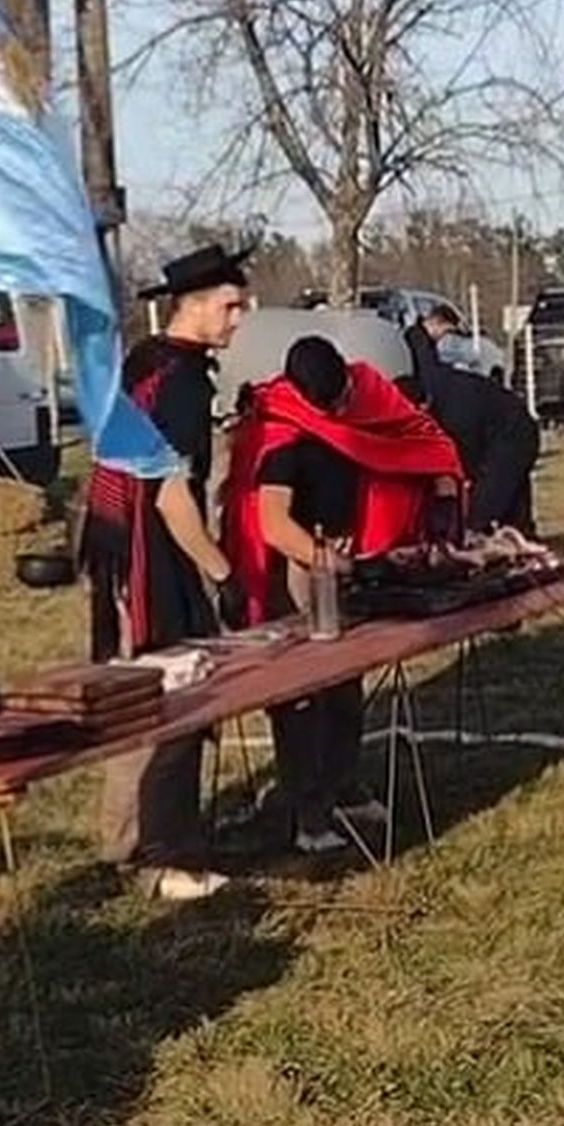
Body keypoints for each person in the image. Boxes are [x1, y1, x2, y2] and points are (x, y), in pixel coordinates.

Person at [223, 336, 462, 852]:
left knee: (346, 682)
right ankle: (308, 813)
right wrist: (326, 559)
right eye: (331, 404)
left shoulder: (363, 399)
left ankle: (344, 785)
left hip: (347, 554)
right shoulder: (281, 435)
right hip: (302, 570)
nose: (341, 407)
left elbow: (413, 439)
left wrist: (438, 493)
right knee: (303, 693)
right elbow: (273, 523)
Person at [77, 242, 250, 901]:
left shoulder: (147, 362)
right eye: (231, 306)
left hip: (121, 547)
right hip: (148, 556)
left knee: (133, 698)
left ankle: (127, 842)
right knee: (170, 700)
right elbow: (171, 493)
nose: (238, 319)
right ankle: (162, 856)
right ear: (197, 305)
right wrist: (222, 570)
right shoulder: (173, 379)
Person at [404, 303, 540, 533]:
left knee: (485, 505)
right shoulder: (435, 384)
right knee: (509, 498)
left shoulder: (454, 411)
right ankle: (521, 535)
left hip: (509, 431)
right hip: (505, 421)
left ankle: (490, 538)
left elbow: (465, 460)